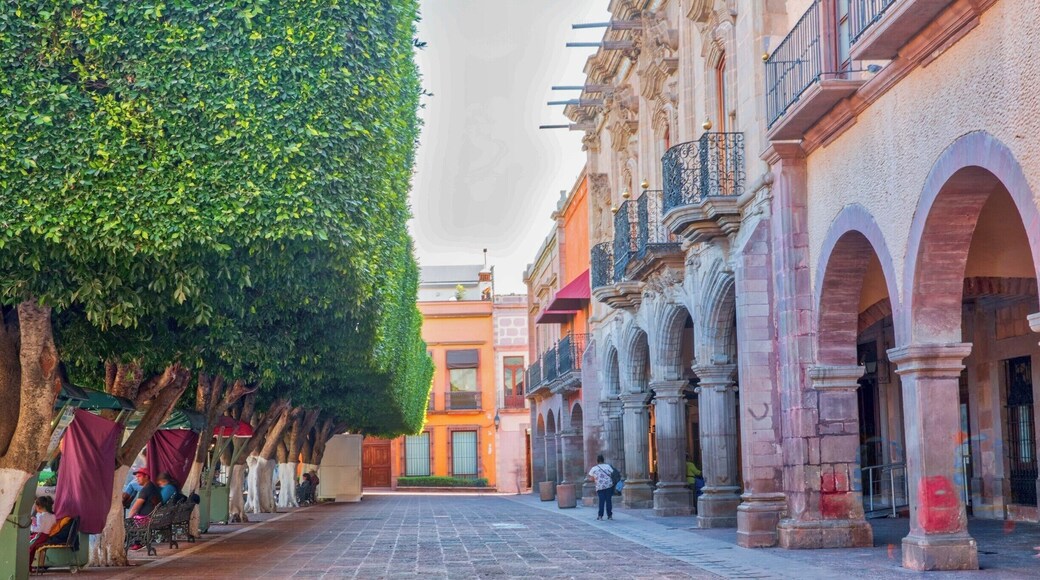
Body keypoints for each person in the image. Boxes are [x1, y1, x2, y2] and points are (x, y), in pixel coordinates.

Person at [127, 468, 161, 550]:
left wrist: (127, 519)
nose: (137, 479)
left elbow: (135, 508)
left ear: (146, 477)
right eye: (136, 477)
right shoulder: (152, 486)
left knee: (128, 521)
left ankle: (137, 543)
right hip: (153, 517)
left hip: (145, 519)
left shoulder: (145, 490)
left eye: (139, 476)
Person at [28, 496, 56, 567]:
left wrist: (31, 525)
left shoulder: (41, 516)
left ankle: (26, 567)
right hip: (47, 536)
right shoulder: (53, 516)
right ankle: (28, 567)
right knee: (31, 547)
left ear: (39, 506)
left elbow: (39, 529)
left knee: (28, 547)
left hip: (40, 536)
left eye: (36, 506)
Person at [586, 454, 616, 521]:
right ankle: (610, 515)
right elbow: (612, 473)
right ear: (603, 460)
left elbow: (591, 478)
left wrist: (597, 479)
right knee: (608, 501)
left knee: (601, 501)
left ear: (597, 461)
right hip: (609, 486)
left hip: (600, 487)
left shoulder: (594, 468)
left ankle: (600, 516)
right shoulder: (608, 466)